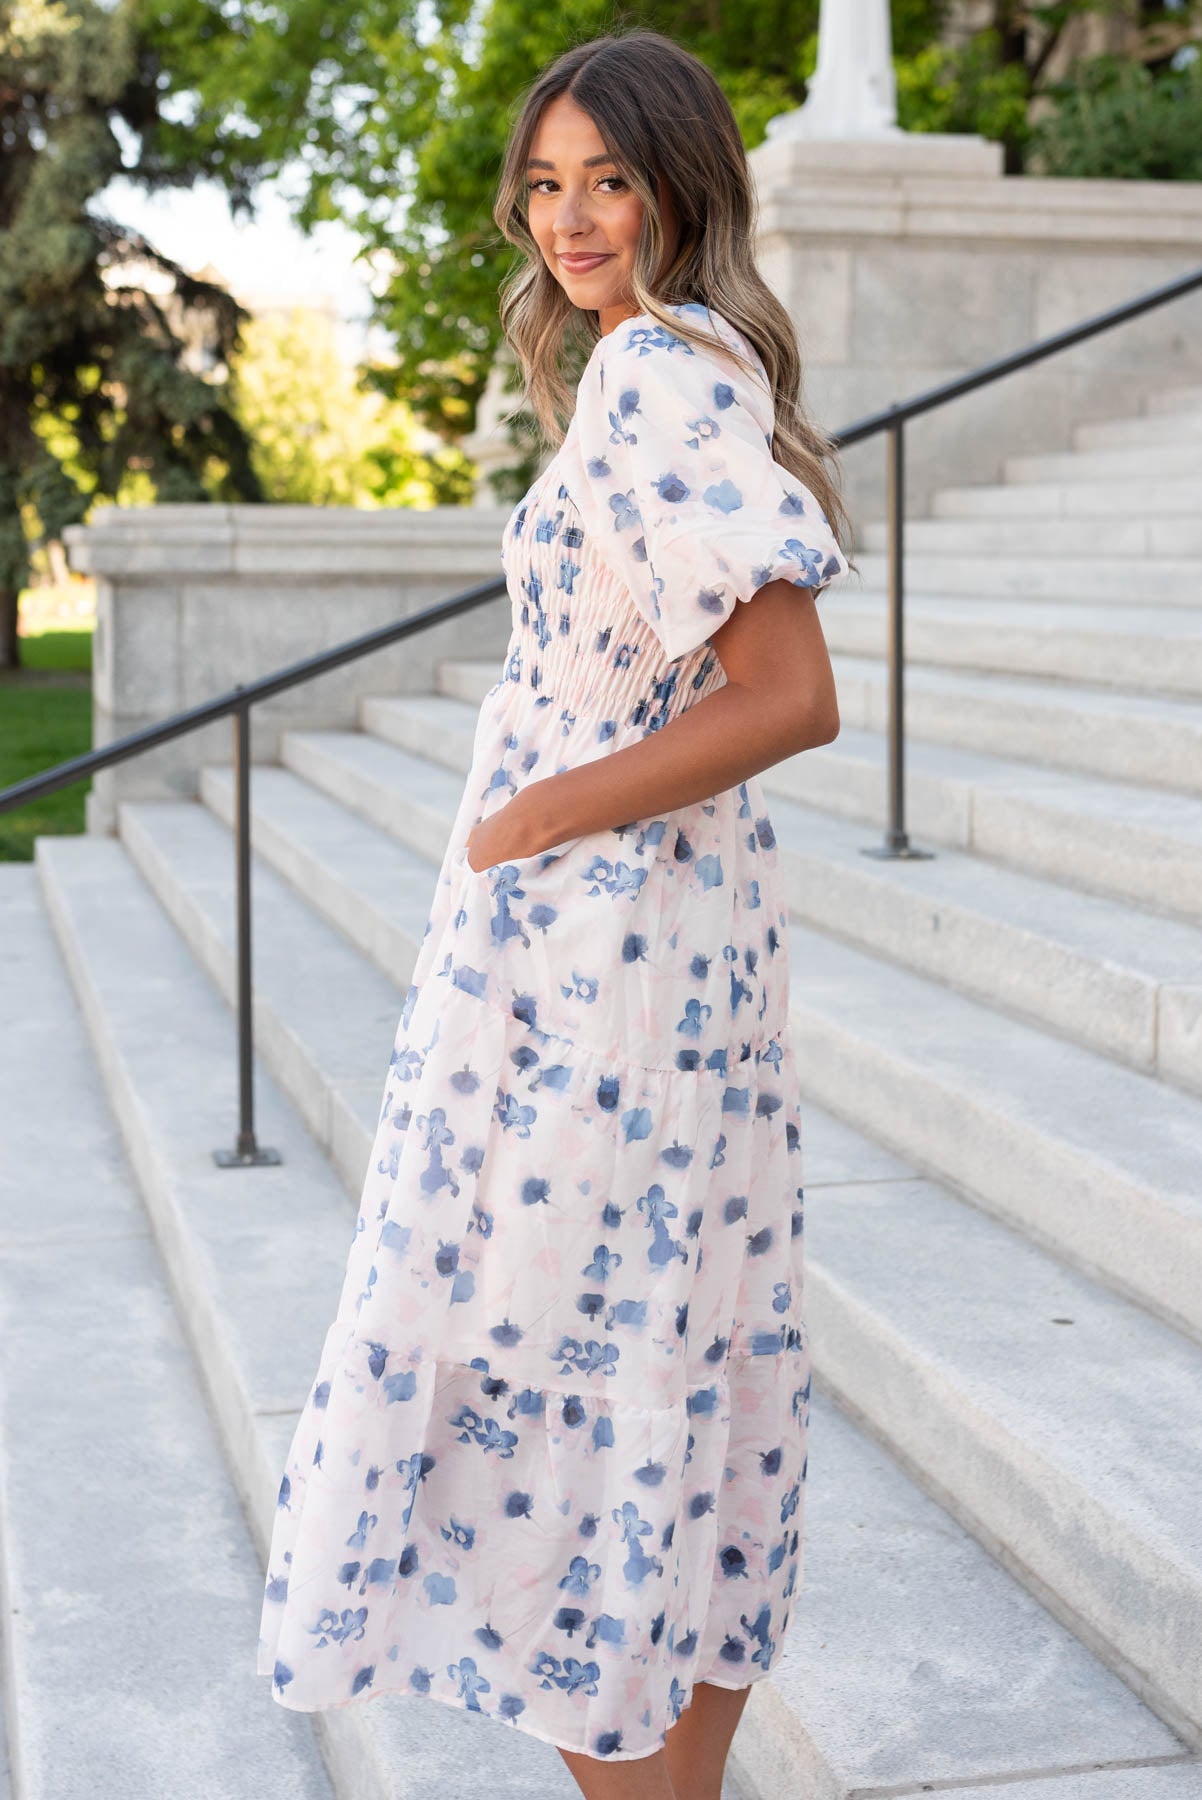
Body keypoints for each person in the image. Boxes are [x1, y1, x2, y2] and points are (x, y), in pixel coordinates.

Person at [257, 27, 854, 1800]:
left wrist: (529, 816)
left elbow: (789, 693)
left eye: (609, 178)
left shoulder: (661, 371)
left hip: (606, 949)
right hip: (645, 944)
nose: (570, 215)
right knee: (665, 1337)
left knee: (579, 1363)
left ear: (682, 186)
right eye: (545, 181)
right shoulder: (665, 360)